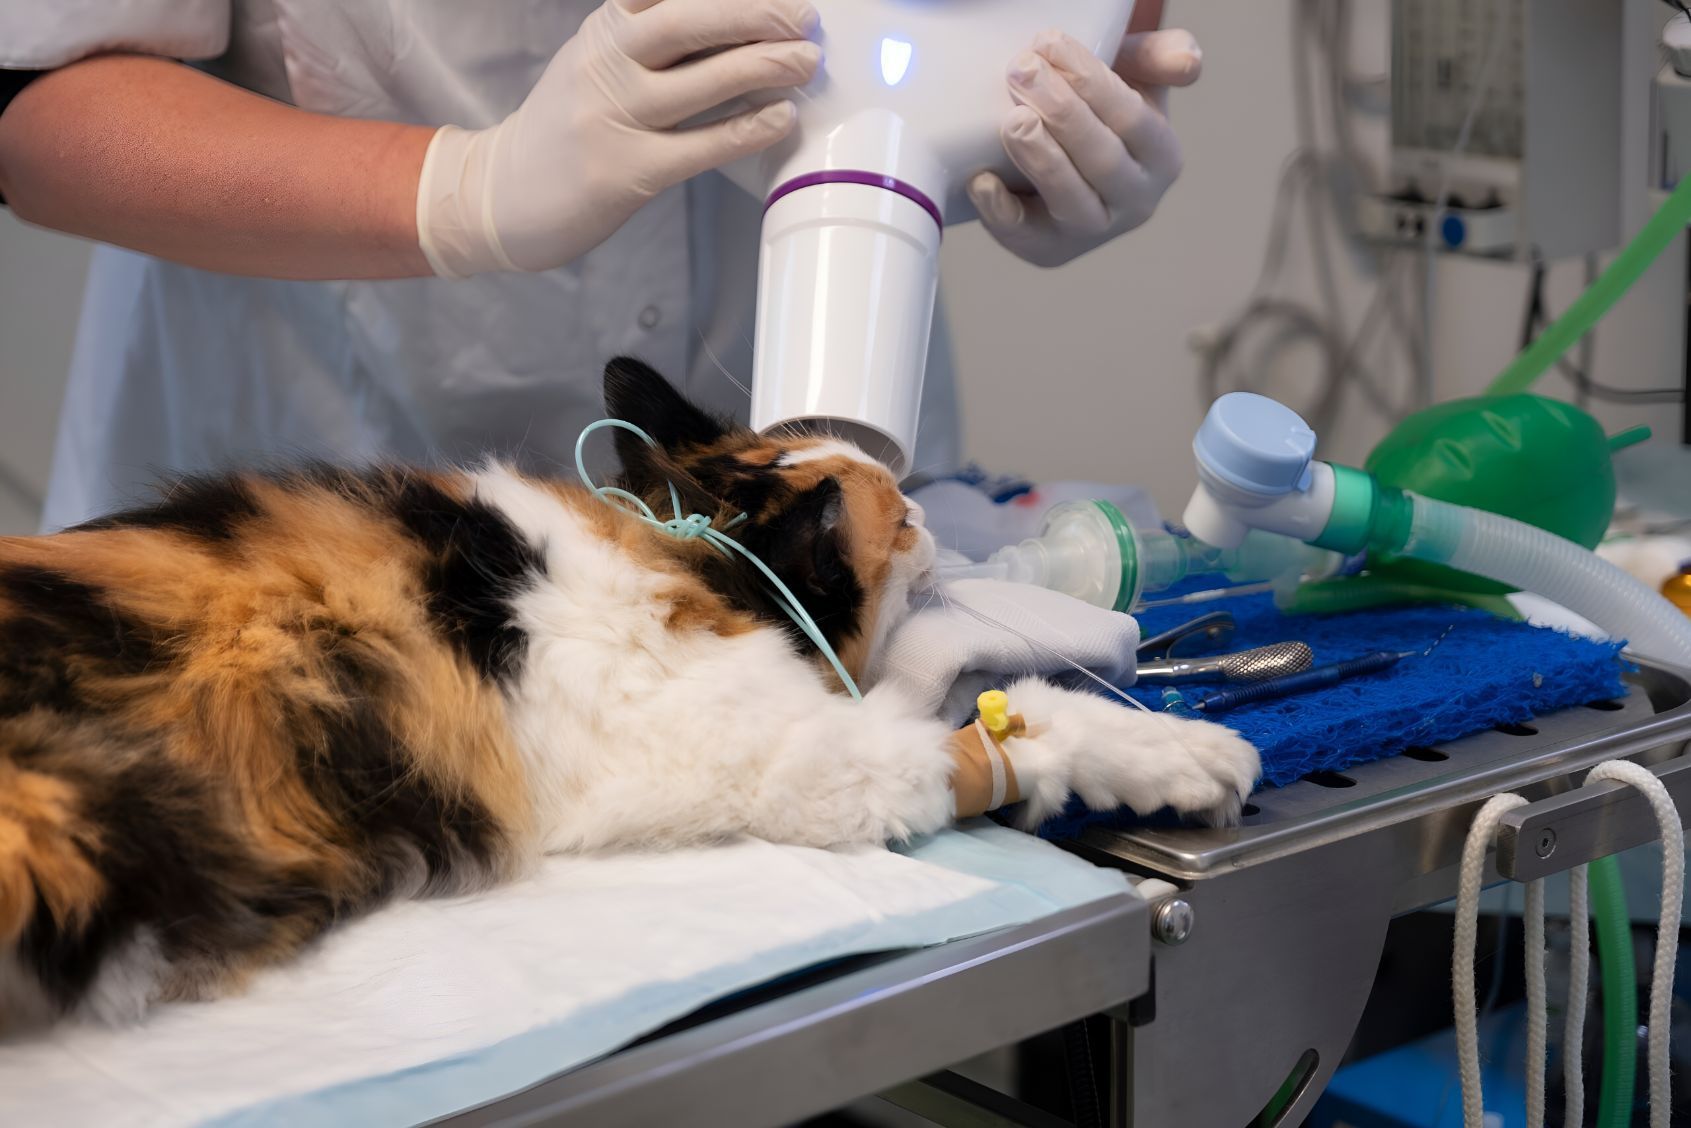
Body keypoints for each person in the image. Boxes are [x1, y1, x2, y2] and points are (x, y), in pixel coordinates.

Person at [0, 0, 1202, 530]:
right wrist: (461, 193)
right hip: (317, 473)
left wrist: (1043, 118)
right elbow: (41, 98)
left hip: (806, 433)